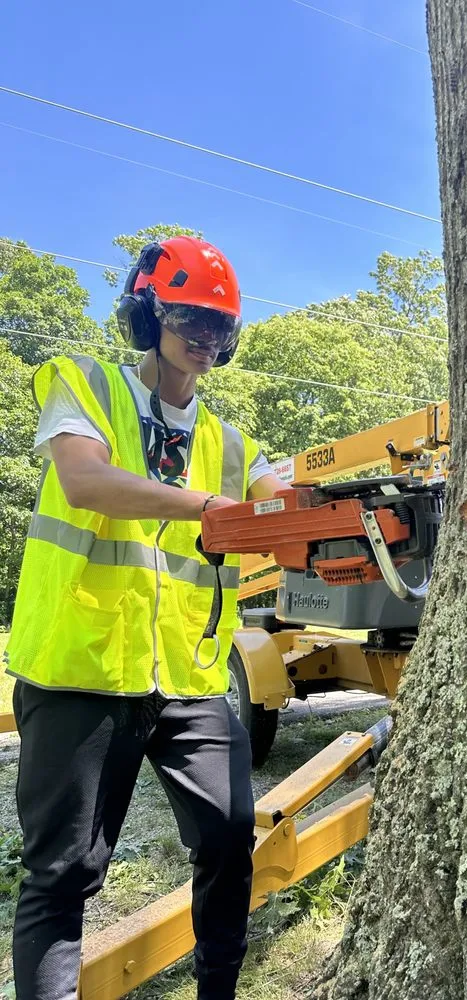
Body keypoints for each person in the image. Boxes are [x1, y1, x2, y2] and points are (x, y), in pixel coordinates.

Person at [6, 236, 289, 1000]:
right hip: (83, 667)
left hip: (189, 678)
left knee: (228, 838)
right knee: (63, 872)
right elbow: (85, 481)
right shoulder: (84, 385)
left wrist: (341, 517)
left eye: (220, 325)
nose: (206, 337)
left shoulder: (233, 443)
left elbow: (282, 510)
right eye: (190, 317)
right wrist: (212, 507)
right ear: (145, 314)